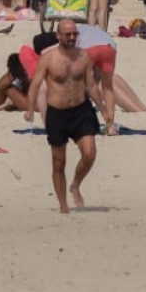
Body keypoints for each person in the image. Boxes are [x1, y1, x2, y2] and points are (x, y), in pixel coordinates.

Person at [24, 18, 105, 213]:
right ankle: (63, 205)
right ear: (58, 35)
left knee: (90, 153)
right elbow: (35, 84)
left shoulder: (83, 57)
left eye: (75, 34)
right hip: (57, 114)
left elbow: (91, 85)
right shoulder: (48, 58)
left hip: (81, 111)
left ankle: (76, 184)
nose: (72, 38)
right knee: (59, 162)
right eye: (68, 34)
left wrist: (104, 109)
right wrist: (29, 109)